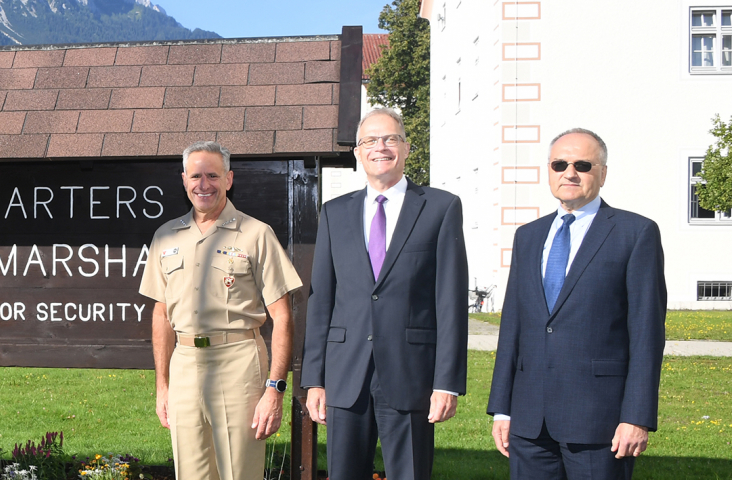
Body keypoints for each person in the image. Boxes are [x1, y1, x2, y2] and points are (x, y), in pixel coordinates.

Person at [300, 108, 468, 480]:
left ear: (406, 148)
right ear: (358, 153)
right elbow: (321, 299)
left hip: (412, 375)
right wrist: (315, 379)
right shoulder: (334, 213)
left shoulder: (441, 208)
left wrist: (446, 382)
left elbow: (451, 302)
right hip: (346, 376)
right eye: (370, 141)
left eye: (390, 138)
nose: (381, 147)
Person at [488, 128, 665, 480]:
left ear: (602, 173)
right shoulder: (528, 236)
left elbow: (646, 333)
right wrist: (502, 410)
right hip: (529, 423)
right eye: (559, 164)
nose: (569, 173)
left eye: (582, 164)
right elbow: (513, 326)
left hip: (600, 423)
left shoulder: (635, 233)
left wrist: (636, 416)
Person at [139, 141, 301, 480]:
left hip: (238, 361)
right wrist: (162, 386)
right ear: (184, 180)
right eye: (195, 176)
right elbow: (160, 314)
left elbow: (282, 316)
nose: (203, 184)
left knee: (239, 473)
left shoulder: (256, 234)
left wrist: (275, 388)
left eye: (213, 175)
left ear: (229, 179)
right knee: (191, 473)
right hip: (183, 365)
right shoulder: (165, 236)